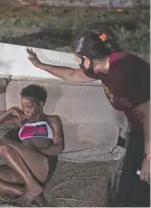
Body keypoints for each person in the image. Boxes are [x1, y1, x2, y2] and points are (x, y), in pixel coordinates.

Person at [26, 29, 150, 207]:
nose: (77, 61)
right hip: (140, 131)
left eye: (79, 57)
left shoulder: (122, 71)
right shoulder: (102, 67)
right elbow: (73, 75)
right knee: (126, 191)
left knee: (141, 190)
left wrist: (148, 158)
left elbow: (149, 115)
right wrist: (41, 65)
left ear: (89, 57)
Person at [0, 85, 64, 206]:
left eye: (29, 107)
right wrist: (9, 111)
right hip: (21, 169)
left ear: (40, 104)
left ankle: (32, 186)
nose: (25, 111)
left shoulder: (52, 120)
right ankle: (28, 191)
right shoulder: (20, 121)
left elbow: (59, 147)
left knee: (2, 144)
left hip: (40, 165)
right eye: (23, 107)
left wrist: (33, 152)